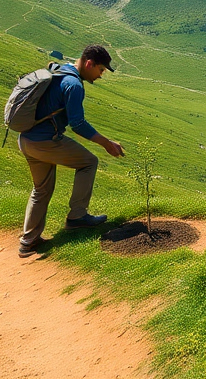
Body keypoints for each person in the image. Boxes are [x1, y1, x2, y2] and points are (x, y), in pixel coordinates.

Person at [17, 44, 125, 257]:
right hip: (45, 142)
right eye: (101, 70)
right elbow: (78, 124)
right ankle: (77, 217)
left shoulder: (60, 70)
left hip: (26, 139)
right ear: (89, 63)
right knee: (88, 162)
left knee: (41, 189)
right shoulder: (74, 84)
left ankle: (28, 242)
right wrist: (107, 143)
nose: (101, 75)